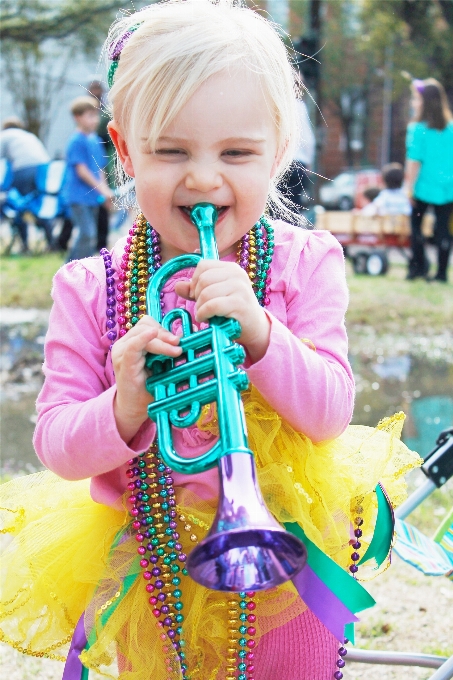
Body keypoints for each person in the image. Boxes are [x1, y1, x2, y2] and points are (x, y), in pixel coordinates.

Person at [0, 2, 420, 679]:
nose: (202, 178)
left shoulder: (303, 261)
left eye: (236, 153)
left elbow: (328, 411)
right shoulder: (87, 286)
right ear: (125, 149)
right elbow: (56, 445)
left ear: (278, 153)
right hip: (146, 566)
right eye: (170, 151)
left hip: (286, 561)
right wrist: (125, 403)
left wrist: (260, 333)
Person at [405, 78, 453, 281]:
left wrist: (408, 187)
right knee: (443, 230)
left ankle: (418, 267)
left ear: (425, 101)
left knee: (416, 227)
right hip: (448, 188)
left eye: (416, 98)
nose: (413, 102)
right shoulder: (450, 129)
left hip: (422, 187)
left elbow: (414, 161)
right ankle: (441, 273)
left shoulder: (418, 128)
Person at [63, 96, 113, 261]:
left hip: (93, 197)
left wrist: (105, 191)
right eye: (90, 115)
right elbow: (82, 171)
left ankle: (76, 270)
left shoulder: (96, 140)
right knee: (87, 233)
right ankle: (72, 269)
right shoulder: (76, 141)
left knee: (90, 235)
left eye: (96, 115)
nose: (95, 120)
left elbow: (100, 169)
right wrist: (102, 189)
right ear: (77, 117)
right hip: (78, 196)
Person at [0, 117, 54, 251]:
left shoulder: (5, 135)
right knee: (38, 206)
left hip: (25, 169)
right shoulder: (28, 136)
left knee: (19, 204)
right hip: (44, 170)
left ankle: (25, 244)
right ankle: (52, 242)